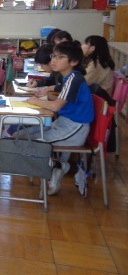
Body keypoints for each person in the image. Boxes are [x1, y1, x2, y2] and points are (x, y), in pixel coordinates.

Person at [18, 41, 94, 195]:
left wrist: (35, 101)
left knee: (33, 142)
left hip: (74, 129)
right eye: (53, 56)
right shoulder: (69, 77)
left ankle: (57, 166)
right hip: (64, 124)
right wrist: (45, 97)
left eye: (60, 57)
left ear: (73, 61)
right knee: (21, 135)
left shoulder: (74, 78)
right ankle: (56, 165)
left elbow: (56, 107)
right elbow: (61, 100)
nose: (54, 60)